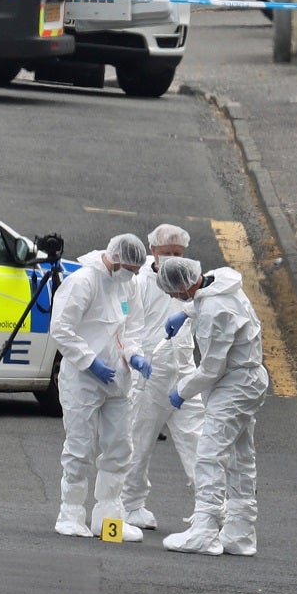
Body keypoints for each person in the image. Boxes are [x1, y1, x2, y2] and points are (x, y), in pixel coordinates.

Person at [156, 256, 269, 556]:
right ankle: (241, 533)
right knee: (240, 456)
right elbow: (202, 298)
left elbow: (211, 369)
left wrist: (181, 391)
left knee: (209, 453)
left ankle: (205, 530)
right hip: (249, 378)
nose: (172, 297)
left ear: (181, 287)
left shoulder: (214, 312)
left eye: (173, 293)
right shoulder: (220, 281)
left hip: (235, 383)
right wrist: (184, 313)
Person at [49, 232, 150, 541]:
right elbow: (61, 329)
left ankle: (108, 516)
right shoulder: (84, 282)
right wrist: (89, 361)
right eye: (131, 268)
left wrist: (134, 356)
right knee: (80, 446)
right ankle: (70, 513)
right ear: (116, 258)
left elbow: (133, 327)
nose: (134, 275)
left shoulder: (128, 284)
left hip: (117, 378)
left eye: (136, 271)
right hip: (83, 379)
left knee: (120, 447)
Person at [118, 223, 202, 530]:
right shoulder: (139, 282)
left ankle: (208, 508)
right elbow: (128, 323)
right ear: (152, 251)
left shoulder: (192, 277)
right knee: (138, 440)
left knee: (198, 440)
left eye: (178, 254)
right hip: (149, 373)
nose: (171, 259)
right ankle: (130, 504)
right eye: (166, 253)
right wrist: (134, 357)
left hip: (184, 372)